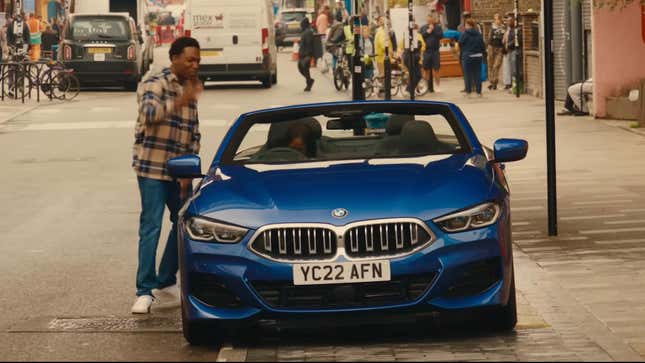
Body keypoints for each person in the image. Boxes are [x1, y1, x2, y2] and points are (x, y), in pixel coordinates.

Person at [130, 37, 202, 314]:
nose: (194, 65)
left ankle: (165, 278)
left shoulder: (189, 87)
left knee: (184, 221)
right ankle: (144, 290)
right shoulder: (155, 81)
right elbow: (149, 113)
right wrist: (180, 101)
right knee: (151, 226)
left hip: (178, 170)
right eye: (190, 60)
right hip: (151, 166)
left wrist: (189, 172)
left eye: (197, 61)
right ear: (174, 58)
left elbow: (193, 133)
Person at [458, 18, 486, 97]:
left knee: (467, 75)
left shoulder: (464, 34)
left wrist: (464, 50)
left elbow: (460, 43)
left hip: (467, 56)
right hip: (478, 56)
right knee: (477, 74)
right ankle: (478, 92)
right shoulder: (478, 34)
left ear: (467, 25)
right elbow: (482, 45)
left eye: (466, 25)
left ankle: (468, 92)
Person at [420, 13, 443, 92]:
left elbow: (441, 36)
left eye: (430, 19)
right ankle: (426, 87)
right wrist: (428, 31)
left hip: (435, 51)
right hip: (426, 51)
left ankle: (437, 86)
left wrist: (433, 30)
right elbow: (420, 37)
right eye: (428, 19)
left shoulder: (438, 27)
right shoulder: (423, 27)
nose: (429, 20)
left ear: (433, 20)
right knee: (426, 69)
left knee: (436, 69)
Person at [487, 13, 506, 90]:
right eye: (495, 19)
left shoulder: (503, 28)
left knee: (496, 65)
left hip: (499, 48)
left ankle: (495, 81)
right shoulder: (492, 27)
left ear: (500, 20)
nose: (497, 20)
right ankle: (491, 82)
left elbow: (504, 38)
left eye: (498, 19)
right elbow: (489, 37)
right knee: (490, 65)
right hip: (491, 47)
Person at [504, 16, 522, 92]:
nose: (508, 23)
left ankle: (516, 86)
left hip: (515, 51)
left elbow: (516, 40)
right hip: (510, 51)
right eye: (507, 21)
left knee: (515, 70)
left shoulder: (516, 30)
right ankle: (513, 86)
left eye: (509, 21)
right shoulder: (510, 30)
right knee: (511, 70)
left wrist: (509, 45)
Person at [298, 17, 315, 92]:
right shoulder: (305, 31)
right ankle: (309, 80)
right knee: (301, 67)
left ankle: (309, 83)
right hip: (303, 54)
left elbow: (308, 44)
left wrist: (308, 54)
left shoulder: (308, 32)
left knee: (304, 68)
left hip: (306, 54)